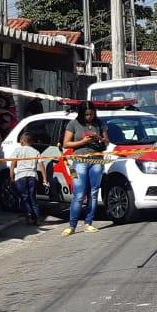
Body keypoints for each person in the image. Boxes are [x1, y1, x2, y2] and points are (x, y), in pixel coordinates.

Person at [61, 101, 108, 236]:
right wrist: (83, 142)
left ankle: (88, 223)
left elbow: (107, 142)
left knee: (93, 193)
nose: (89, 117)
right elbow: (66, 144)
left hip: (97, 160)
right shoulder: (73, 124)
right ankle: (72, 225)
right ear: (81, 113)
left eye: (91, 114)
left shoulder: (99, 123)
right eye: (86, 114)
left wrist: (98, 137)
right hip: (79, 161)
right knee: (79, 194)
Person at [8, 129, 48, 225]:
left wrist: (11, 177)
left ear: (22, 141)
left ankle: (29, 215)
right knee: (33, 197)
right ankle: (37, 218)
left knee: (24, 197)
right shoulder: (36, 151)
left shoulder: (17, 150)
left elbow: (13, 164)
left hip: (20, 177)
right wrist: (44, 178)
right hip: (32, 176)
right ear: (32, 142)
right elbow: (42, 166)